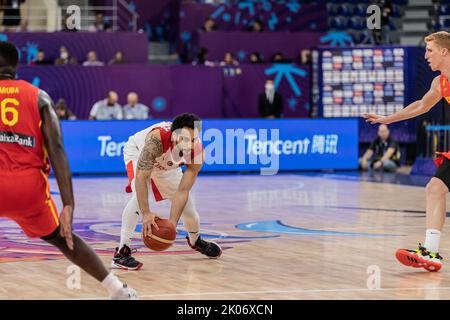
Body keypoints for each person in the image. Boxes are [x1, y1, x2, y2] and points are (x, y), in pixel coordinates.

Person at [0, 42, 137, 299]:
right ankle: (116, 290)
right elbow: (57, 149)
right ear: (15, 67)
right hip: (27, 190)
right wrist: (68, 204)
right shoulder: (39, 97)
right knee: (64, 239)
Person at [363, 31, 450, 272]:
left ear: (444, 51)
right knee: (435, 188)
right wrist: (388, 119)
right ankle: (431, 253)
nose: (425, 56)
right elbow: (421, 106)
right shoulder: (439, 82)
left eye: (430, 50)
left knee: (435, 189)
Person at [112, 113, 222, 270]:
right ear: (174, 134)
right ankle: (122, 253)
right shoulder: (155, 140)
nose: (190, 145)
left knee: (190, 211)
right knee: (138, 198)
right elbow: (142, 178)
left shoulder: (197, 152)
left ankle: (195, 240)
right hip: (137, 153)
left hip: (167, 168)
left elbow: (183, 191)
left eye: (193, 139)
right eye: (184, 140)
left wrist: (172, 223)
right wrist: (147, 213)